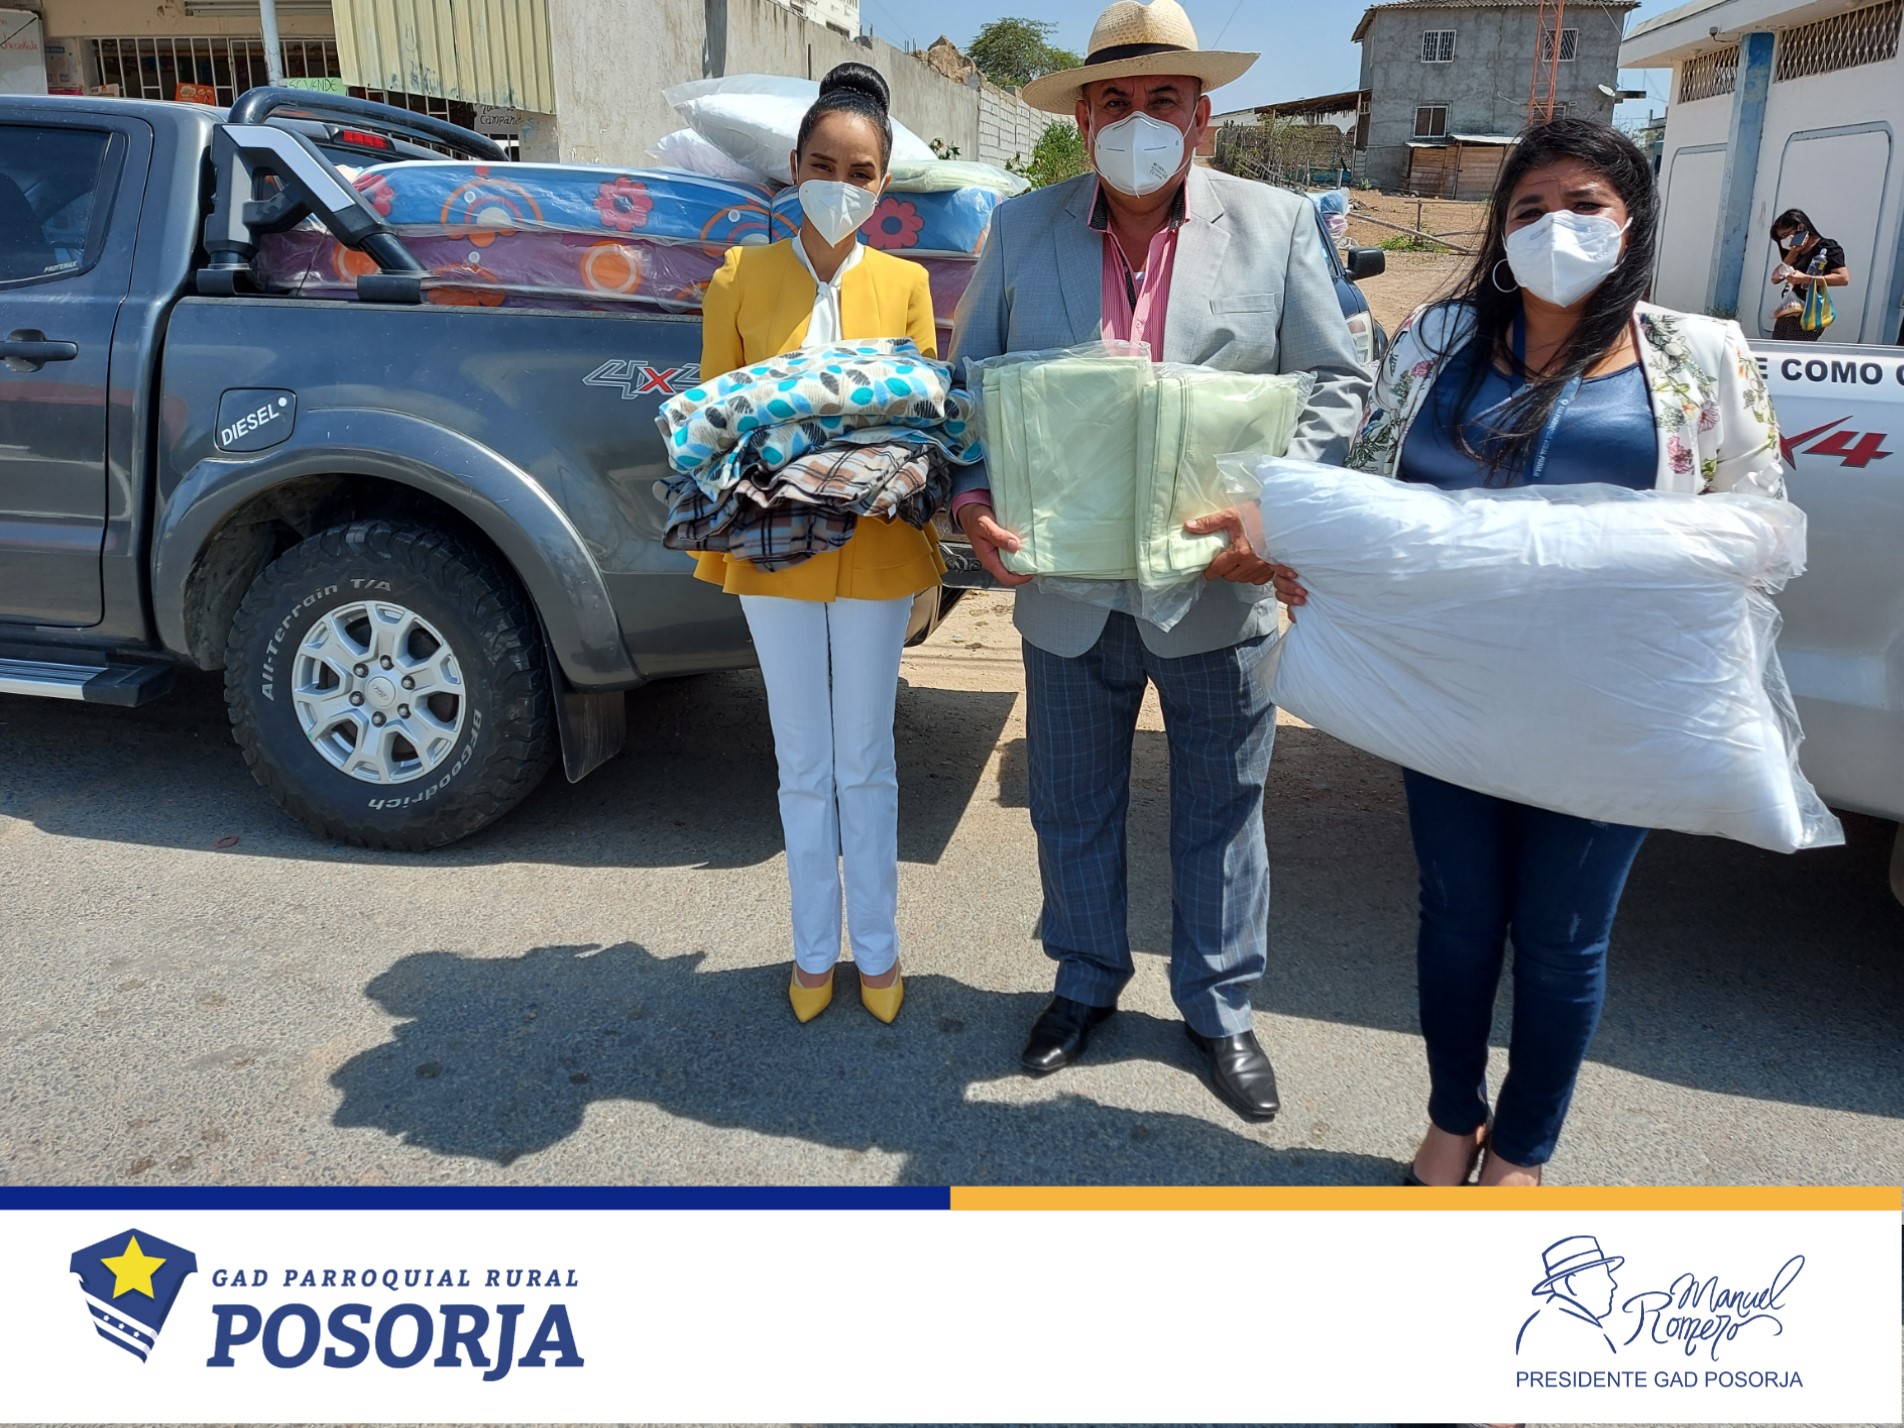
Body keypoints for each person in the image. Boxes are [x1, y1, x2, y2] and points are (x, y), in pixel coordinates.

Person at [1287, 117, 1784, 1183]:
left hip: (1613, 709)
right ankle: (1451, 1119)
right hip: (1448, 694)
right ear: (1500, 230)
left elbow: (1757, 517)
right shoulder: (1435, 338)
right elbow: (1366, 486)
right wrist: (1304, 556)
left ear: (1631, 222)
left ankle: (1520, 1151)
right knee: (1457, 917)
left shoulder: (1699, 354)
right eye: (1529, 208)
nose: (1556, 226)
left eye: (1584, 206)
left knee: (1562, 937)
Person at [949, 0, 1369, 1122]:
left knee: (1221, 812)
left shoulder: (1279, 225)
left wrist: (1270, 515)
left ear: (1202, 118)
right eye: (1117, 101)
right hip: (1067, 588)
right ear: (1084, 119)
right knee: (1070, 803)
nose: (1139, 120)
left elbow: (1337, 382)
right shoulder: (1020, 228)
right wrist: (972, 495)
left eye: (1163, 101)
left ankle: (1219, 1009)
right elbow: (967, 385)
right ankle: (1084, 982)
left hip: (1215, 586)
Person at [697, 62, 939, 1026]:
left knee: (866, 759)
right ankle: (810, 952)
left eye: (862, 171)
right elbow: (712, 419)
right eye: (825, 165)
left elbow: (922, 423)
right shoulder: (740, 278)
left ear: (884, 183)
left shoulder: (908, 284)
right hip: (773, 547)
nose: (842, 184)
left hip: (875, 549)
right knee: (801, 761)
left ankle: (876, 950)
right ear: (795, 168)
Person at [1767, 208, 1849, 341]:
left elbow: (1843, 278)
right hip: (1789, 310)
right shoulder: (1794, 253)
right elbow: (1775, 278)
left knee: (1794, 349)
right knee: (1777, 347)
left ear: (1800, 227)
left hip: (1810, 310)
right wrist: (1793, 252)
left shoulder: (1826, 247)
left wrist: (1806, 279)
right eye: (1782, 238)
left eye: (1786, 234)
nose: (1785, 240)